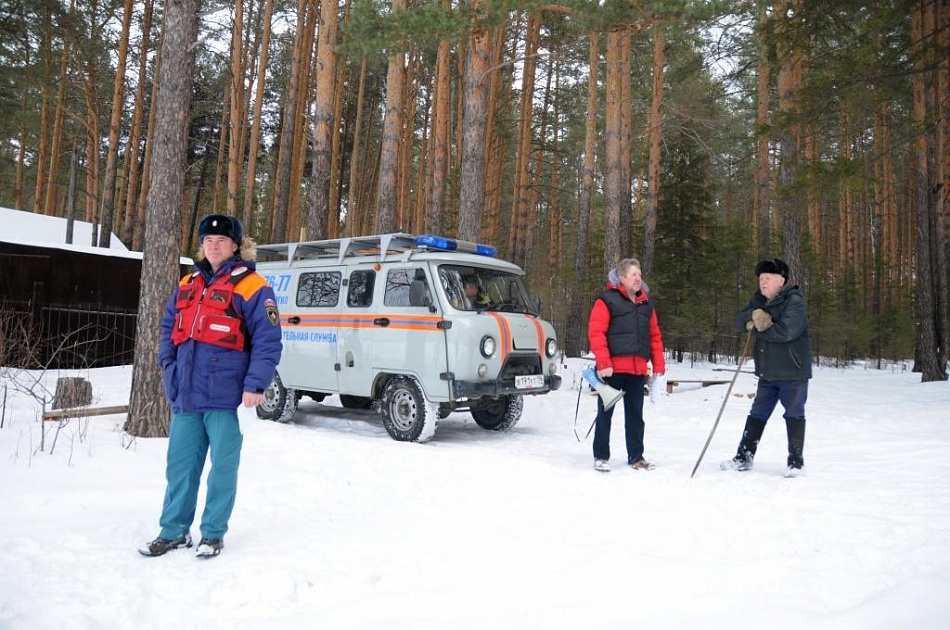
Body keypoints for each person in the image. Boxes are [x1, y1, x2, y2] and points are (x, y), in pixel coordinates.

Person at [140, 214, 283, 558]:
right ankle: (173, 531)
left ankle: (213, 534)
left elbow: (268, 340)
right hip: (186, 394)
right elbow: (166, 328)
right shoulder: (188, 282)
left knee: (222, 468)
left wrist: (256, 384)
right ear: (202, 245)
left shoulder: (252, 286)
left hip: (222, 395)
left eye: (221, 241)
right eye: (208, 240)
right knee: (180, 469)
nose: (214, 245)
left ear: (235, 246)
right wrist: (167, 364)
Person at [722, 257, 812, 477]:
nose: (763, 283)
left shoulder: (795, 302)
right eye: (761, 279)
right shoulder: (758, 300)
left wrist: (762, 325)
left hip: (792, 372)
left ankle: (795, 463)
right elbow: (738, 322)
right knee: (757, 414)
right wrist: (752, 316)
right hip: (768, 372)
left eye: (768, 278)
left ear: (781, 280)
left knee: (794, 414)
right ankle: (744, 457)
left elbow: (786, 332)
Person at [587, 258, 666, 472]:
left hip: (638, 370)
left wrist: (658, 364)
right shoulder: (607, 300)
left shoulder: (646, 304)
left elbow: (655, 335)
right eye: (633, 275)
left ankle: (636, 457)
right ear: (621, 278)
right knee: (605, 414)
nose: (638, 278)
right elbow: (596, 332)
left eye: (639, 275)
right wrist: (603, 362)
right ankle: (601, 456)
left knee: (635, 416)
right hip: (612, 369)